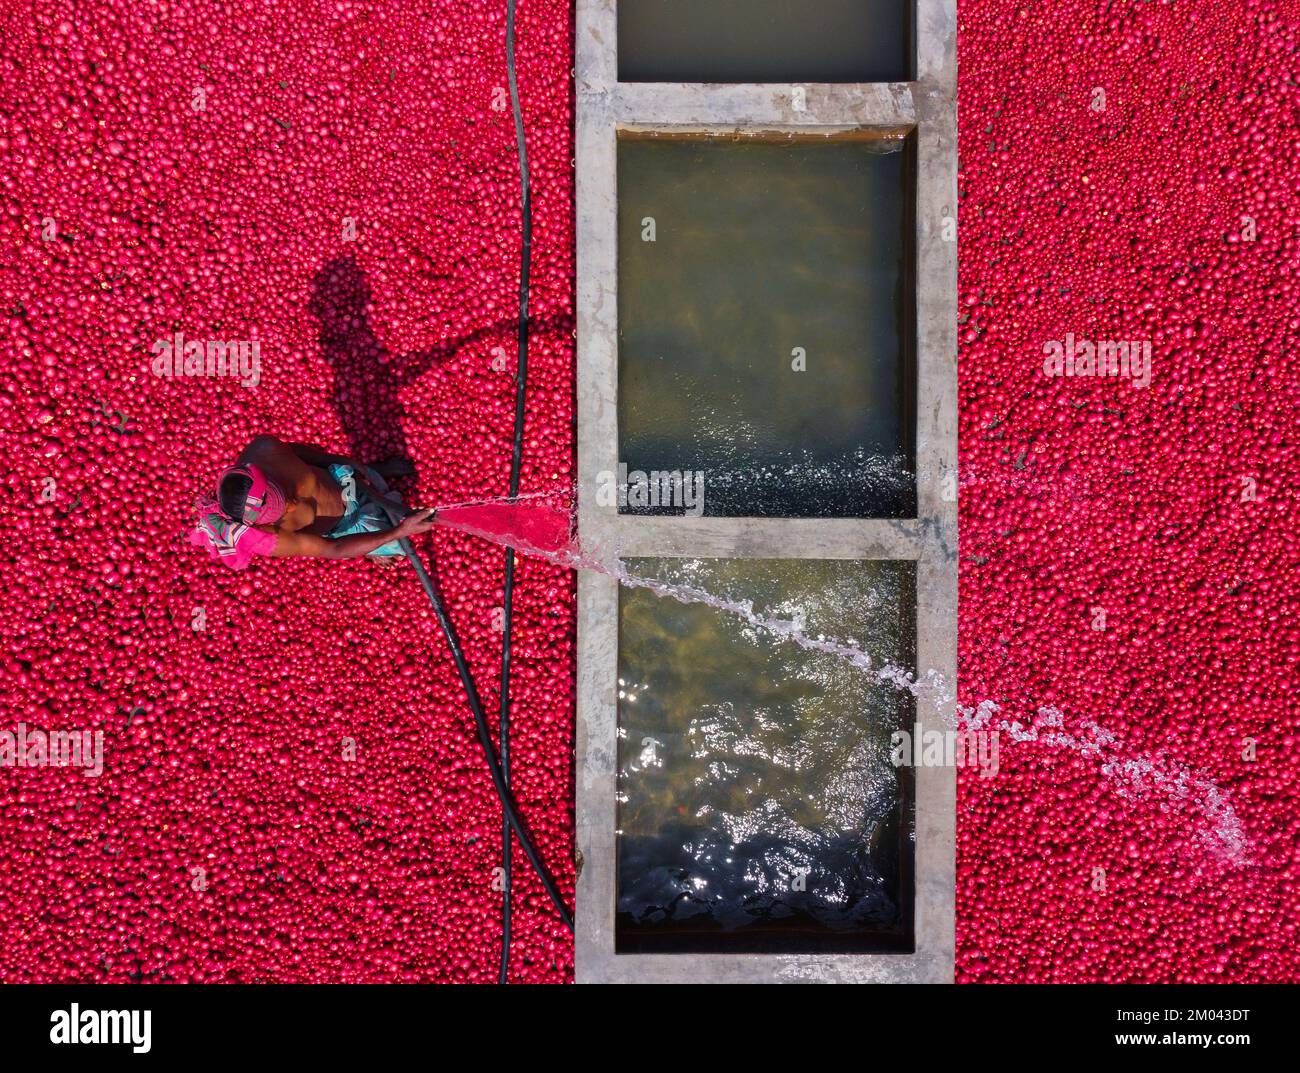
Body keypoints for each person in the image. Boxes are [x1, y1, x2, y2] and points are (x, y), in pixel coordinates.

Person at [190, 435, 436, 568]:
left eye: (286, 494)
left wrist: (341, 462)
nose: (295, 503)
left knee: (369, 477)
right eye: (284, 510)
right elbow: (333, 549)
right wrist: (398, 532)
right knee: (402, 543)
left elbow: (298, 452)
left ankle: (375, 471)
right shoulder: (270, 537)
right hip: (346, 522)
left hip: (343, 480)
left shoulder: (265, 449)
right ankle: (372, 548)